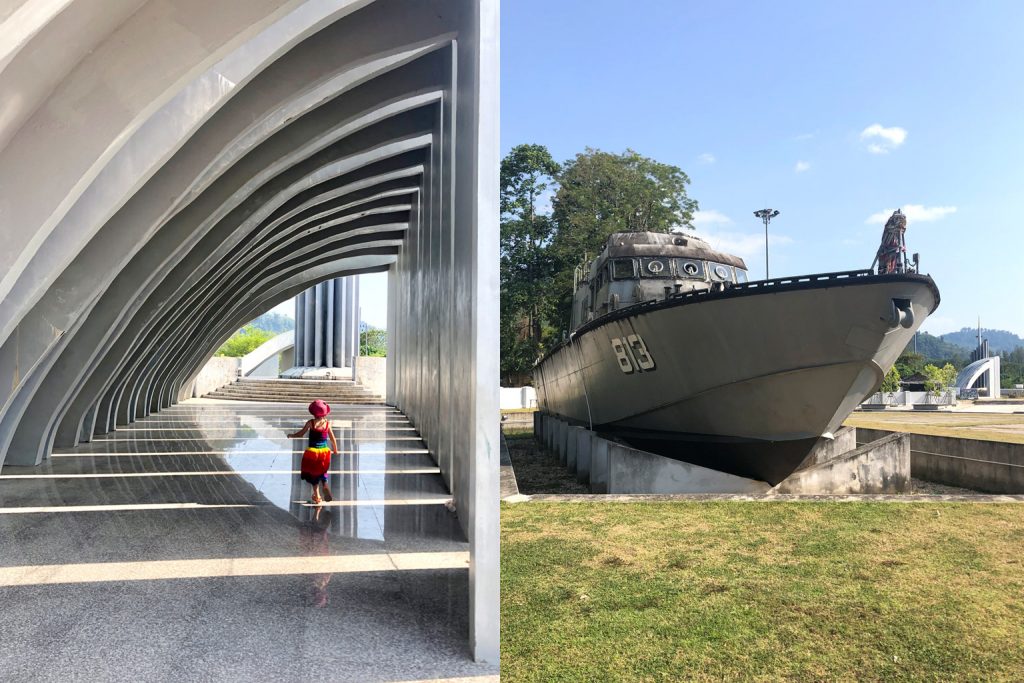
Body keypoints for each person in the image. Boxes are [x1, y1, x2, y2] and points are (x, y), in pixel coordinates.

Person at [288, 399, 338, 504]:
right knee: (323, 471)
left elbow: (301, 434)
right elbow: (333, 438)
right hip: (324, 452)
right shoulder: (327, 424)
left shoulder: (311, 423)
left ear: (313, 413)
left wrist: (292, 435)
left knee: (313, 474)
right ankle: (325, 484)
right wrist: (335, 449)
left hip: (312, 453)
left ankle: (317, 496)